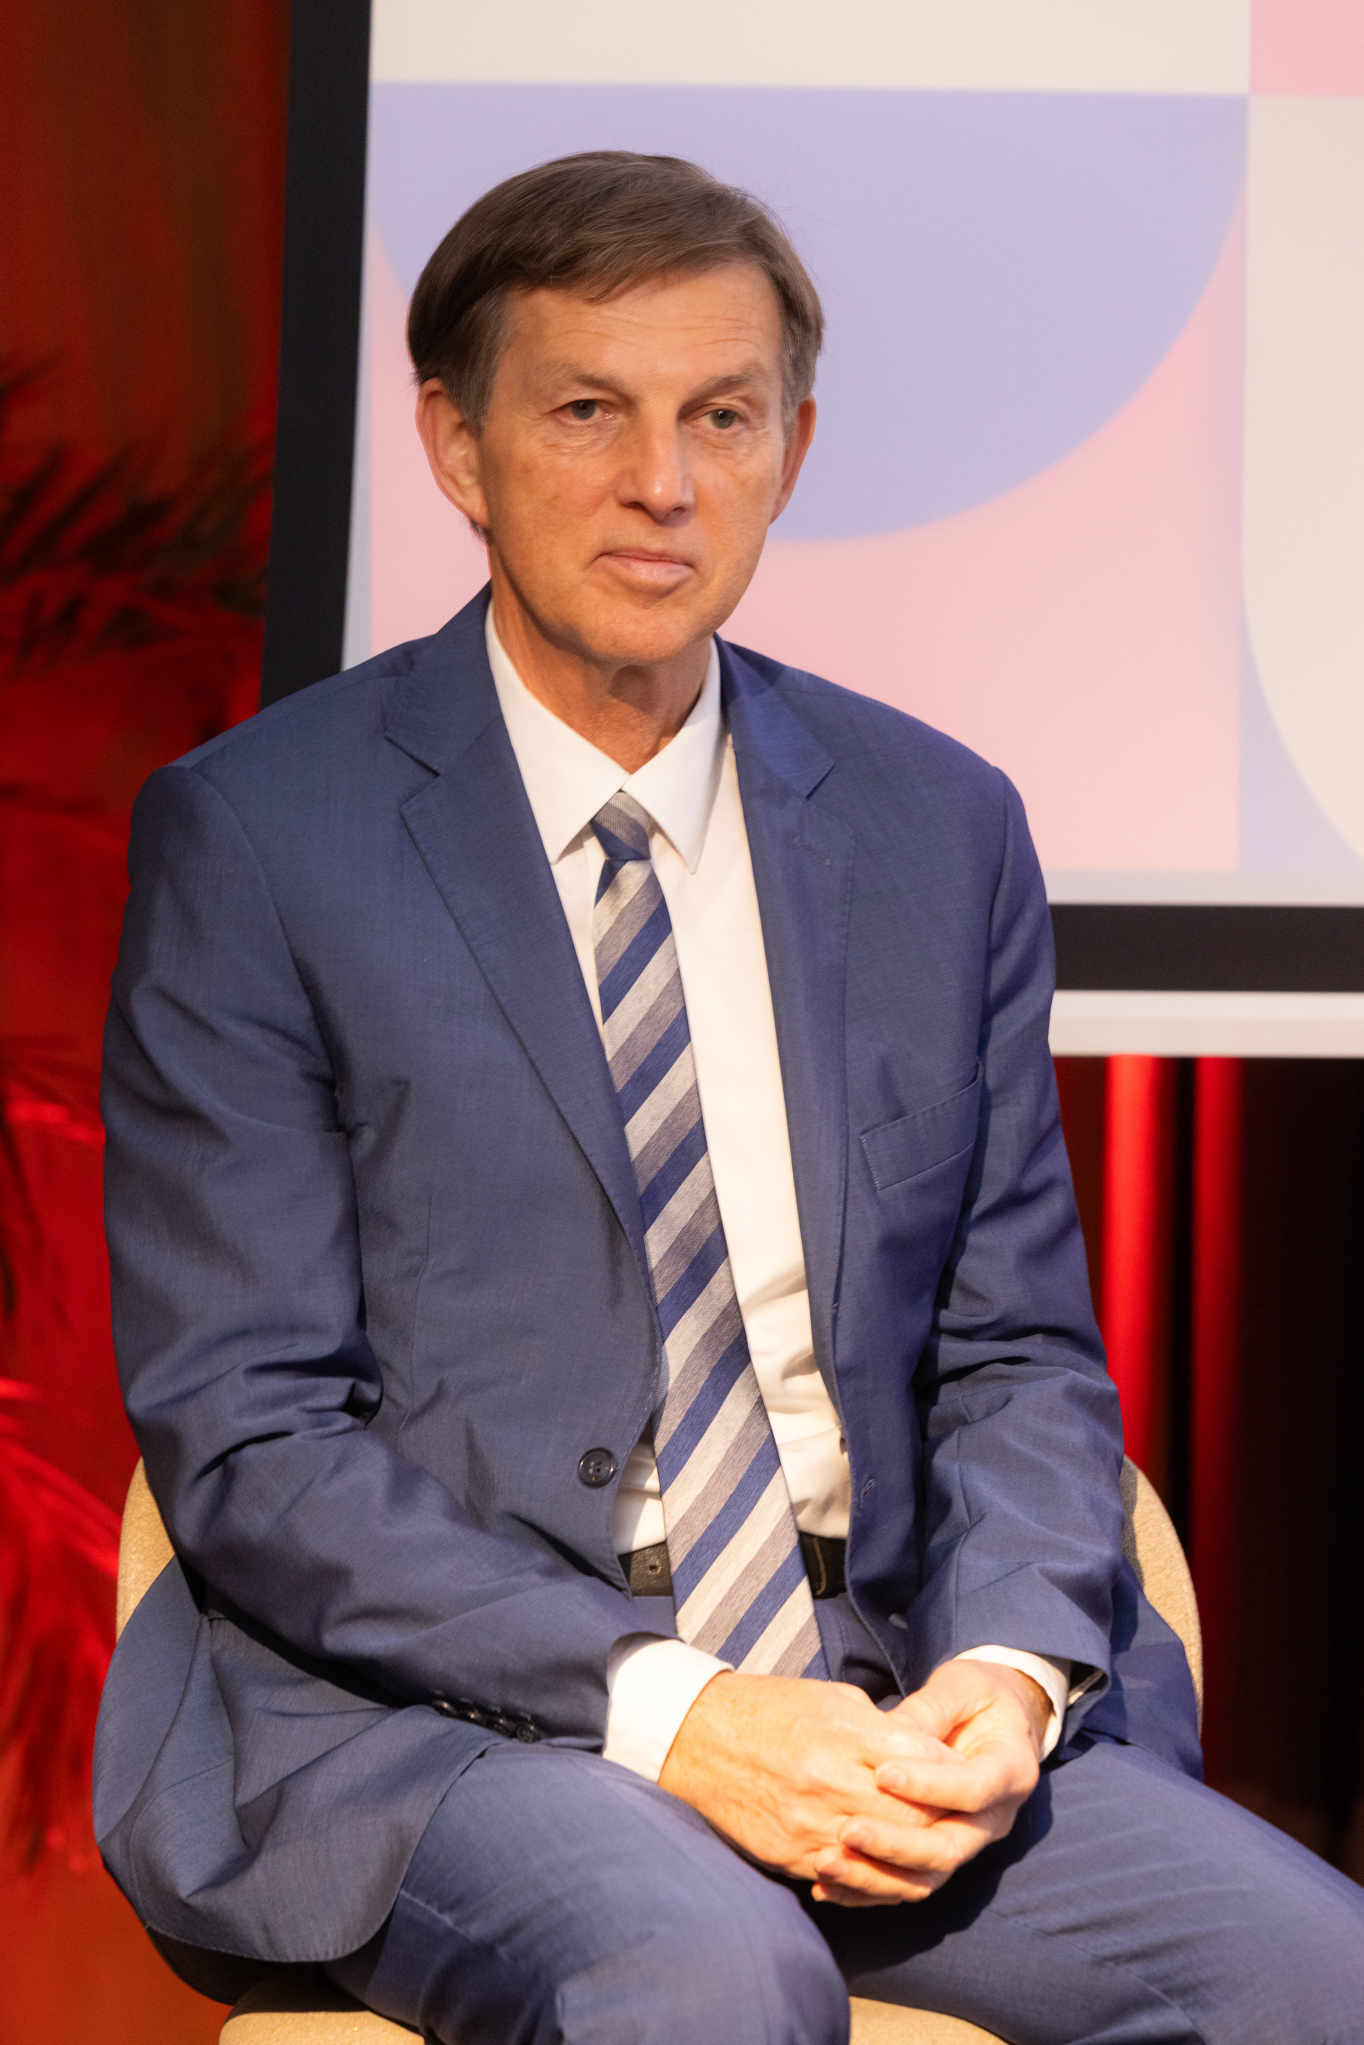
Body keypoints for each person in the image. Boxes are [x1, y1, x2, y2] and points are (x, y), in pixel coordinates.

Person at [95, 152, 1364, 2044]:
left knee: (1319, 1975)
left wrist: (1008, 1670)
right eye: (587, 412)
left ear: (793, 445)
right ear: (456, 445)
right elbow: (251, 1431)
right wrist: (681, 1711)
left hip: (879, 1684)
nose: (663, 483)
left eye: (722, 416)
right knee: (708, 1970)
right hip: (449, 1725)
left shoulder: (940, 825)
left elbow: (1016, 1354)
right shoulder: (266, 838)